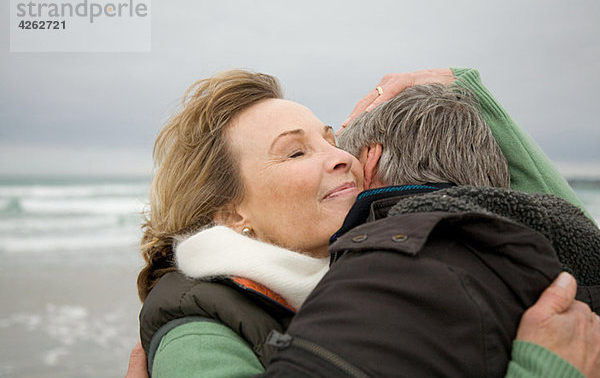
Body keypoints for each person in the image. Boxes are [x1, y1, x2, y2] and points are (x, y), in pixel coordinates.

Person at [129, 68, 599, 378]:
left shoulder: (366, 272)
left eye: (332, 139)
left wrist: (463, 86)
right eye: (296, 151)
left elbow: (566, 236)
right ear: (232, 213)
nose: (340, 158)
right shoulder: (197, 327)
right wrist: (546, 369)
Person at [260, 82, 600, 377]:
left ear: (370, 160)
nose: (337, 165)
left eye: (340, 152)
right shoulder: (566, 258)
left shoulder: (385, 273)